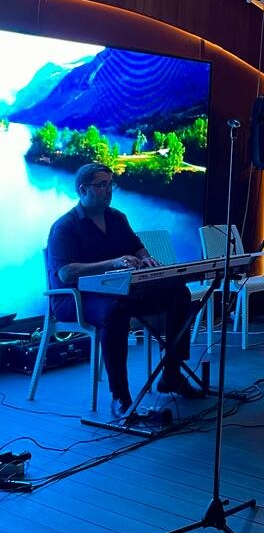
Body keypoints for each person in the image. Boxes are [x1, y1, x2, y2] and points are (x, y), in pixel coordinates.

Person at [47, 163, 203, 419]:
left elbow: (137, 247)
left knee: (179, 293)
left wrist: (145, 258)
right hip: (75, 299)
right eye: (102, 185)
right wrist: (113, 263)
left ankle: (172, 374)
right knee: (115, 311)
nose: (109, 190)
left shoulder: (117, 218)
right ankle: (120, 397)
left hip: (116, 291)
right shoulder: (65, 227)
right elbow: (65, 273)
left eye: (110, 184)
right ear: (83, 190)